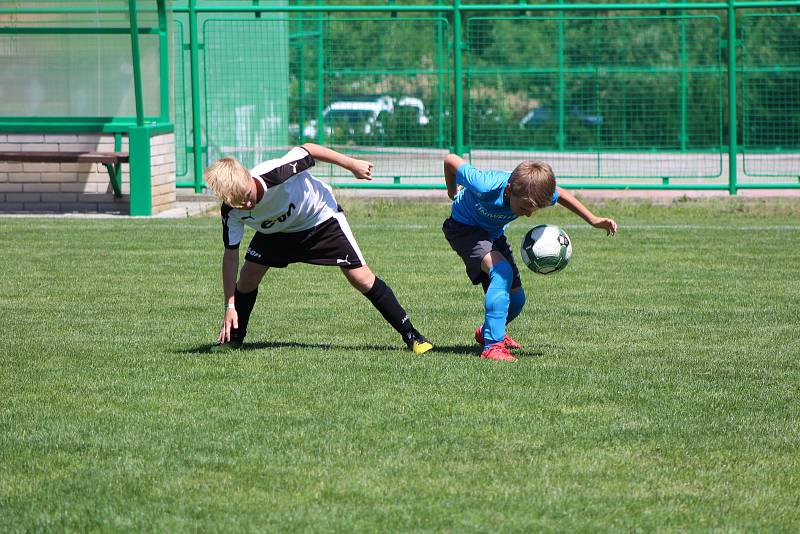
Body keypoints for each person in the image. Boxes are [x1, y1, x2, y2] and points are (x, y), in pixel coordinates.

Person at [203, 143, 433, 354]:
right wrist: (229, 305)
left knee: (360, 277)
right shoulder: (232, 211)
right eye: (239, 203)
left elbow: (309, 149)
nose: (248, 205)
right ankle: (234, 339)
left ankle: (413, 336)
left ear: (247, 177)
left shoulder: (278, 172)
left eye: (247, 196)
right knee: (248, 277)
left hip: (319, 219)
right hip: (276, 233)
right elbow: (230, 255)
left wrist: (352, 164)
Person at [442, 154, 617, 362]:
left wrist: (593, 220)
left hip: (493, 233)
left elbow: (558, 193)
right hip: (463, 228)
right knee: (502, 271)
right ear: (509, 190)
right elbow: (450, 160)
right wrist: (453, 192)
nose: (528, 215)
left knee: (516, 299)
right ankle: (492, 347)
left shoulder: (531, 190)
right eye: (524, 208)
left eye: (533, 210)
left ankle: (488, 330)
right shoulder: (484, 184)